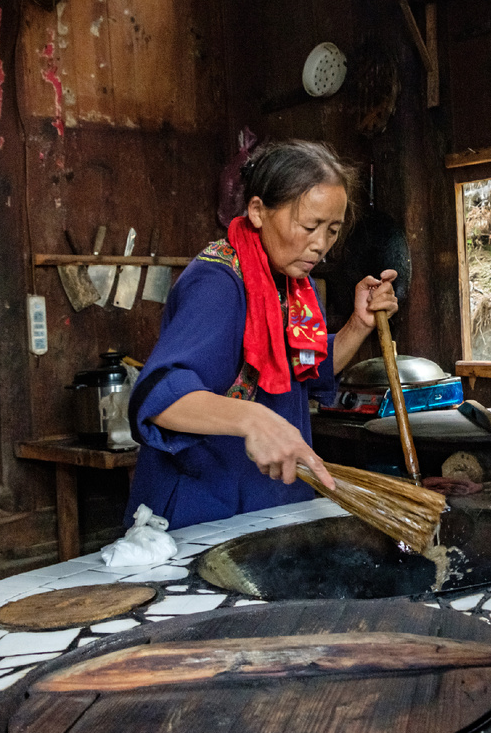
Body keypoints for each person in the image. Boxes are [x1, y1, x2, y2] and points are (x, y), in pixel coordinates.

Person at [125, 140, 398, 529]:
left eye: (332, 230)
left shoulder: (292, 286)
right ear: (257, 211)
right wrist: (254, 419)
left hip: (270, 503)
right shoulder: (219, 282)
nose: (320, 245)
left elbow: (304, 370)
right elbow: (159, 397)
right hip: (206, 510)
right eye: (308, 226)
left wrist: (359, 324)